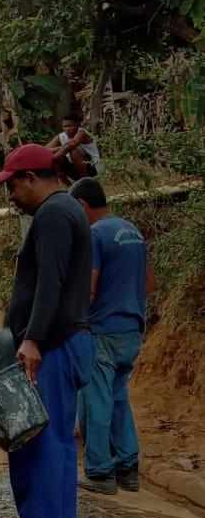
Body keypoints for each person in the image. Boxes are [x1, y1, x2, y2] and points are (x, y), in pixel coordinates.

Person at [0, 144, 94, 518]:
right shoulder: (69, 211)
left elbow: (51, 283)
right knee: (61, 446)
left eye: (12, 184)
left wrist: (31, 339)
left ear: (31, 177)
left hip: (51, 346)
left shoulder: (52, 215)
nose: (9, 194)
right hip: (69, 343)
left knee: (37, 446)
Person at [70, 178, 155, 495]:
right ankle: (127, 470)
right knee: (119, 399)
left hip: (102, 331)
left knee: (98, 402)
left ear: (81, 206)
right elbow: (149, 283)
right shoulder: (132, 231)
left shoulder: (94, 234)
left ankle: (100, 472)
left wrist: (77, 319)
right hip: (131, 331)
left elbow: (89, 286)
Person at [46, 109, 101, 180]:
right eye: (65, 126)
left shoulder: (82, 133)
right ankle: (67, 186)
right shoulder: (61, 136)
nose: (67, 129)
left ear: (77, 125)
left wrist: (55, 157)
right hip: (74, 171)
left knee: (73, 151)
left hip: (93, 168)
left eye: (70, 126)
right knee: (59, 155)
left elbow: (71, 145)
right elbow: (45, 150)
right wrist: (61, 148)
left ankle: (86, 181)